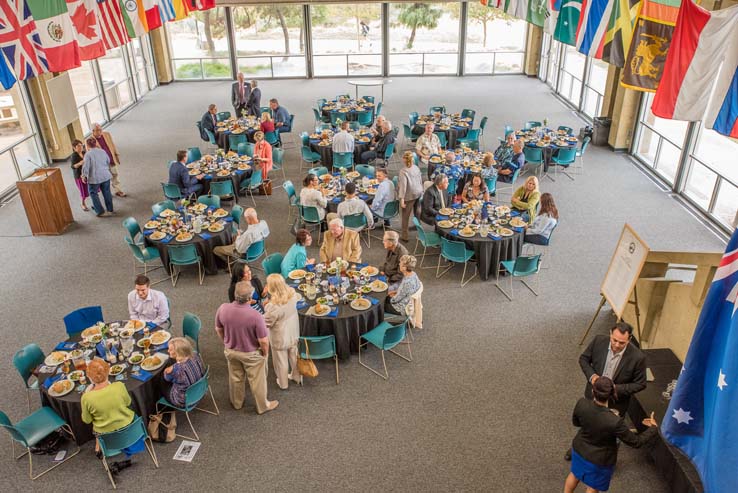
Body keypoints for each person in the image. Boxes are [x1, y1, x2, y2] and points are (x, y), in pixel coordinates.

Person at [564, 377, 658, 493]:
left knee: (574, 475)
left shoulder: (581, 403)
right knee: (592, 487)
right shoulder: (615, 421)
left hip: (579, 450)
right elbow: (636, 442)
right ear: (612, 394)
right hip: (598, 461)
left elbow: (576, 423)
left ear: (593, 391)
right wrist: (653, 428)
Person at [215, 281, 278, 414]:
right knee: (257, 382)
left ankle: (237, 403)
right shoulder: (256, 316)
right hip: (251, 354)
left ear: (234, 294)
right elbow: (264, 341)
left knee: (235, 378)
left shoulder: (223, 308)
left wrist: (226, 342)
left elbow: (218, 328)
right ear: (250, 298)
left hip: (231, 351)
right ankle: (262, 406)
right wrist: (265, 354)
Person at [81, 358, 139, 472]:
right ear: (108, 372)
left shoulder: (86, 397)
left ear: (89, 377)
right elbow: (128, 403)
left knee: (96, 423)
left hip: (108, 438)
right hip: (130, 430)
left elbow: (86, 420)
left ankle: (98, 446)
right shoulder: (119, 386)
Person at [263, 274, 302, 390]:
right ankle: (297, 377)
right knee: (294, 354)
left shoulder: (272, 306)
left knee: (281, 361)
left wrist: (264, 307)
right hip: (293, 331)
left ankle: (283, 383)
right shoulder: (292, 294)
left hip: (280, 336)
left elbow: (267, 323)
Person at [163, 337, 205, 407]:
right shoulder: (195, 354)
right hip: (200, 391)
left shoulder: (176, 370)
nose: (168, 351)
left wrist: (166, 371)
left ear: (178, 352)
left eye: (170, 350)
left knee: (161, 383)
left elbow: (166, 378)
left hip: (184, 400)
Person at [82, 137, 114, 217]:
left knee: (93, 193)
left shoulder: (88, 154)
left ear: (87, 145)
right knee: (107, 192)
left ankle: (100, 211)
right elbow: (108, 161)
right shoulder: (102, 151)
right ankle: (110, 209)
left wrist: (84, 176)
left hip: (94, 178)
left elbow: (86, 167)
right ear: (96, 143)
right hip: (105, 175)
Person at [91, 123, 125, 197]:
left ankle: (118, 191)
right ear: (93, 131)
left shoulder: (106, 134)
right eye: (97, 130)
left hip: (111, 159)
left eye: (100, 129)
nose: (100, 132)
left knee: (115, 175)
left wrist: (116, 155)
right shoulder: (90, 140)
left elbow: (112, 145)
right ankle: (107, 194)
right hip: (102, 164)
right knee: (105, 180)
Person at [397, 151, 423, 242]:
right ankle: (418, 228)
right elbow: (420, 180)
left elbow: (403, 187)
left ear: (404, 159)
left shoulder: (403, 171)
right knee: (417, 213)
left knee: (405, 216)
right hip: (419, 192)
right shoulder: (416, 168)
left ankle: (405, 236)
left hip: (409, 195)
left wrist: (402, 199)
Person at [70, 139, 90, 211]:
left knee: (91, 188)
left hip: (86, 174)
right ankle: (82, 203)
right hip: (79, 176)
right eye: (78, 146)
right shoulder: (74, 156)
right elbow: (73, 166)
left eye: (81, 145)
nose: (81, 147)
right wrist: (79, 163)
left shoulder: (84, 152)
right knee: (83, 191)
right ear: (74, 148)